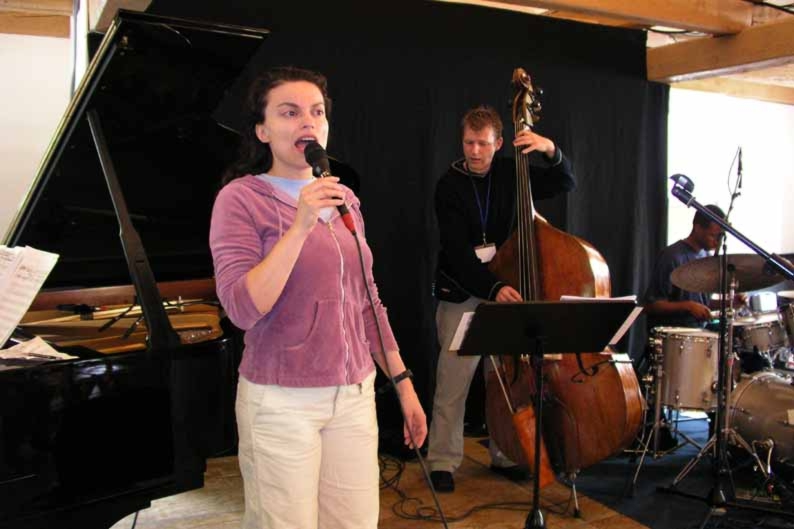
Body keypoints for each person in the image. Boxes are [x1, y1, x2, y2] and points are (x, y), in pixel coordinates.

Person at [209, 66, 427, 529]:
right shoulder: (240, 199)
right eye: (289, 113)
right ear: (263, 131)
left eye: (316, 112)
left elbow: (368, 302)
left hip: (353, 394)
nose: (307, 122)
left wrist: (403, 384)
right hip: (281, 401)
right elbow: (242, 309)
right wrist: (301, 222)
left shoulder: (345, 199)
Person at [428, 105, 575, 493]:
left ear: (498, 143)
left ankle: (505, 454)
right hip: (463, 292)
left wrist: (549, 149)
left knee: (504, 383)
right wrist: (492, 289)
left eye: (483, 144)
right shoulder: (449, 185)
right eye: (468, 143)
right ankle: (443, 460)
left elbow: (565, 181)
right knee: (453, 380)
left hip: (504, 292)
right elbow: (458, 254)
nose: (474, 151)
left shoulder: (513, 172)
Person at [643, 205, 726, 331]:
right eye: (713, 235)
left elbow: (703, 304)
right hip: (673, 340)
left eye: (720, 237)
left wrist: (729, 303)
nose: (716, 242)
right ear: (697, 228)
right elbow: (650, 306)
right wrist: (688, 306)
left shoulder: (706, 257)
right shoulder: (672, 256)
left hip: (699, 334)